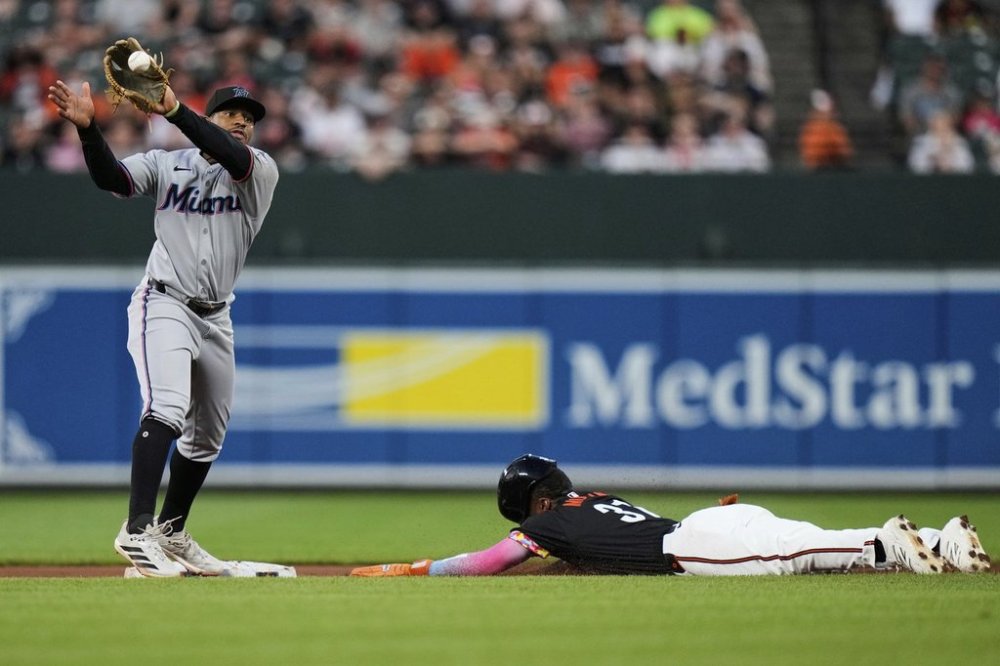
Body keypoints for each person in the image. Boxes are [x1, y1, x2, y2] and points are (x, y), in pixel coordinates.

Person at [47, 79, 279, 577]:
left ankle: (171, 532)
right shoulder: (167, 163)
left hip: (217, 315)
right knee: (168, 408)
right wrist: (89, 130)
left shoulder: (260, 170)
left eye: (249, 116)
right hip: (165, 302)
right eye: (231, 113)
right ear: (211, 118)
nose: (242, 121)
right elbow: (113, 179)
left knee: (207, 438)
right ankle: (136, 529)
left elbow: (227, 154)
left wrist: (174, 109)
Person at [351, 454, 991, 577]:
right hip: (704, 525)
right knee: (808, 543)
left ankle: (890, 542)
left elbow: (492, 561)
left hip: (696, 545)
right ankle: (944, 539)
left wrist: (421, 568)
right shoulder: (594, 501)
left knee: (796, 557)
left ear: (534, 505)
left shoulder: (548, 524)